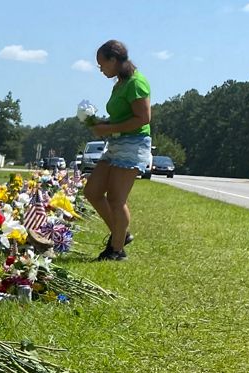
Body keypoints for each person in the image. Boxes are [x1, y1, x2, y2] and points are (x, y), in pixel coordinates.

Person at [82, 39, 152, 261]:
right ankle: (122, 234)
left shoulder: (136, 83)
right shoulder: (120, 83)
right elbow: (122, 115)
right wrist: (99, 124)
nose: (101, 69)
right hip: (116, 143)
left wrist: (108, 128)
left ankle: (117, 250)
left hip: (133, 145)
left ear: (114, 60)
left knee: (116, 199)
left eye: (102, 64)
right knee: (92, 191)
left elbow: (143, 118)